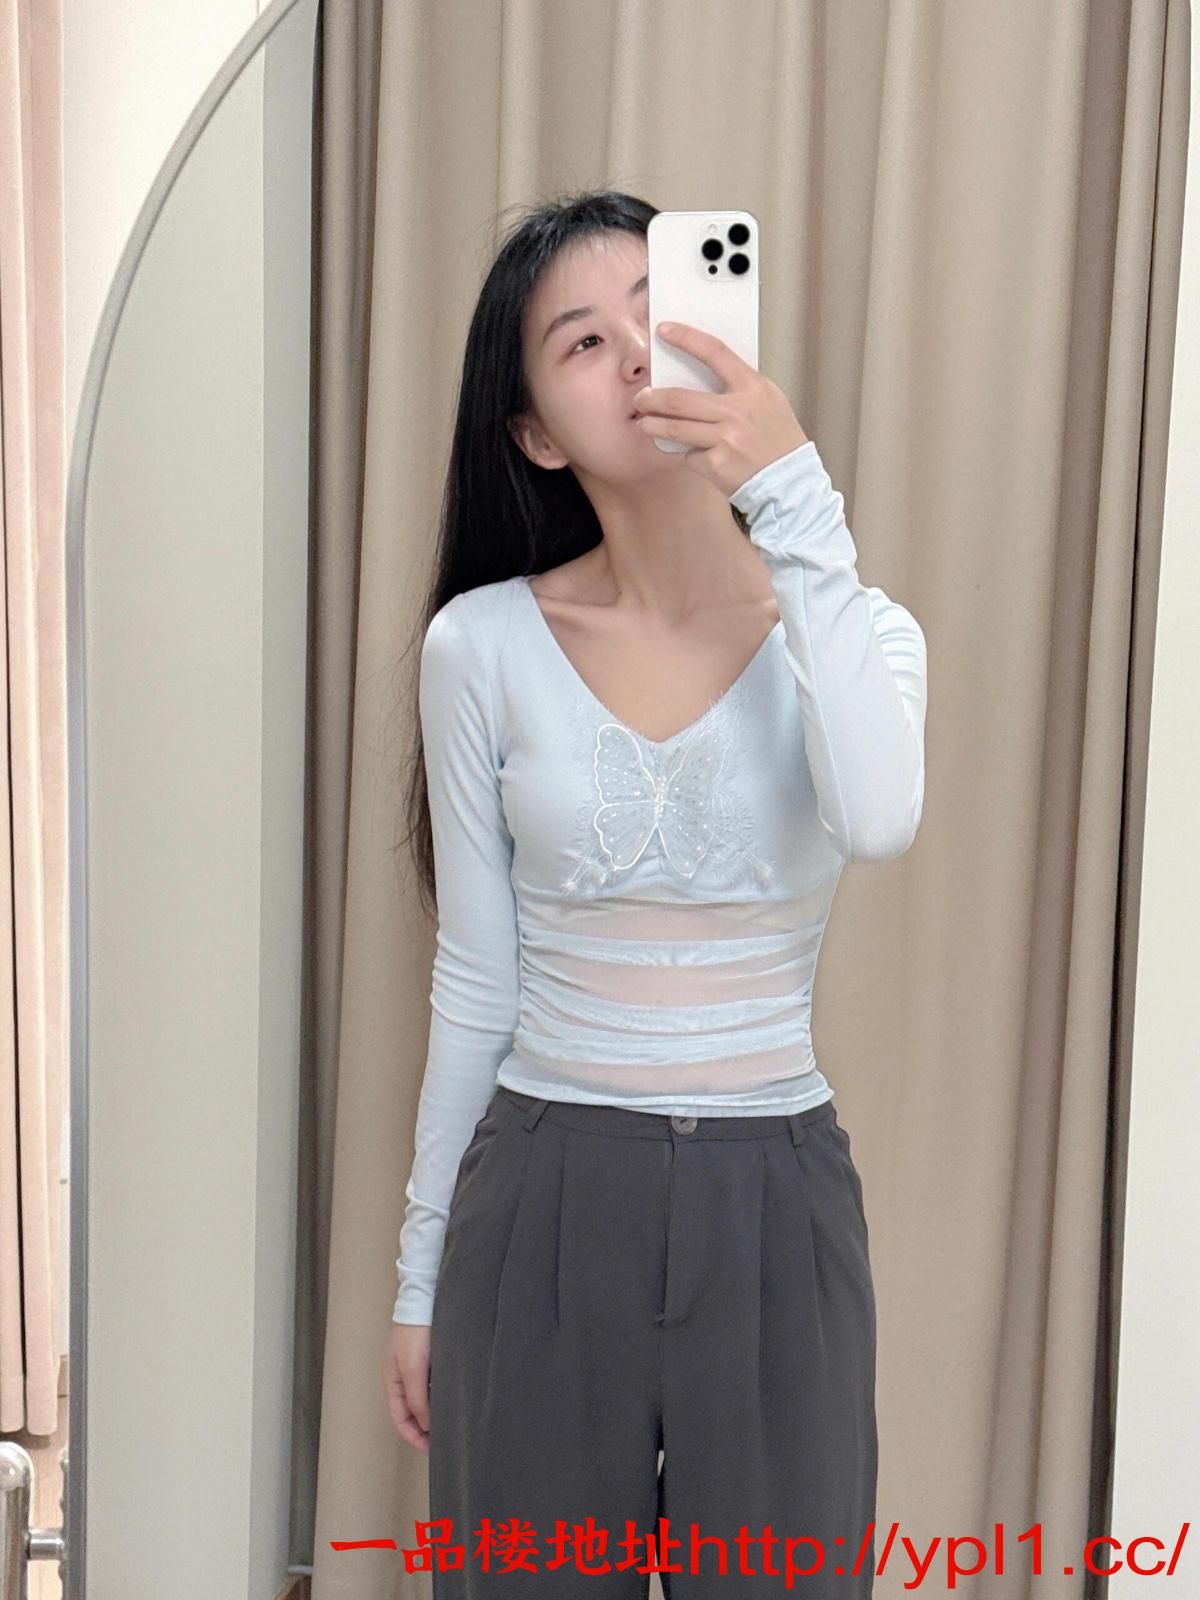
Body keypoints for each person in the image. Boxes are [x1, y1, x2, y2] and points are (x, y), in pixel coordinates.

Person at [382, 189, 927, 1598]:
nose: (636, 354)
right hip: (547, 1194)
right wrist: (420, 1278)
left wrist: (794, 497)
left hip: (775, 1198)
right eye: (582, 340)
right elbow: (477, 981)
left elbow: (879, 817)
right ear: (534, 432)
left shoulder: (856, 632)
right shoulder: (480, 647)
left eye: (659, 308)